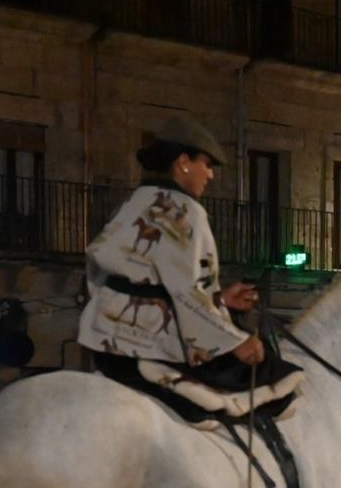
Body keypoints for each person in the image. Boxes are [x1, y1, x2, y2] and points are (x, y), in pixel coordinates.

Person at [76, 115, 300, 413]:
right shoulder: (185, 212)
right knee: (272, 372)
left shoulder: (136, 202)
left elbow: (134, 277)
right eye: (206, 164)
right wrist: (236, 342)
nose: (210, 175)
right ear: (183, 162)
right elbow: (186, 293)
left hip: (105, 340)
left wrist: (219, 298)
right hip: (152, 343)